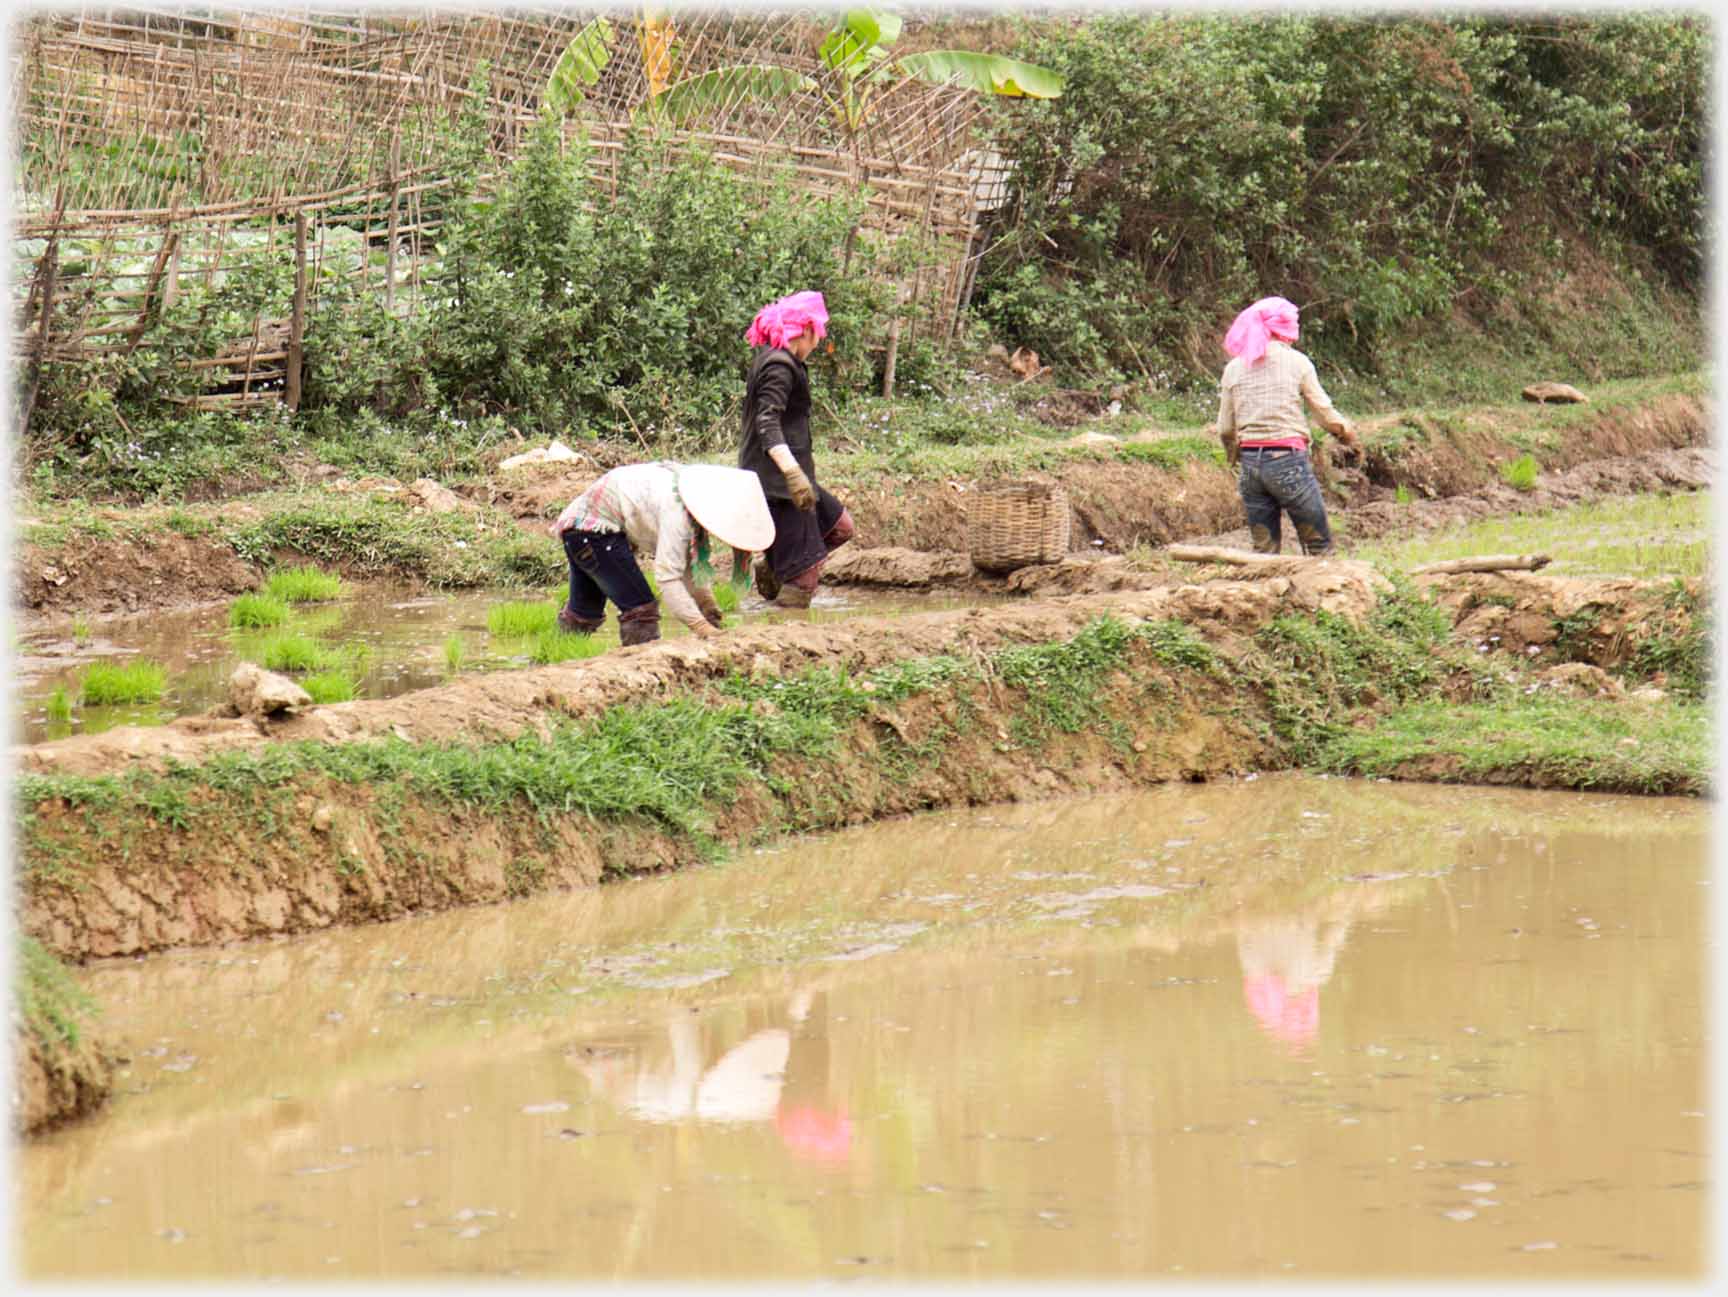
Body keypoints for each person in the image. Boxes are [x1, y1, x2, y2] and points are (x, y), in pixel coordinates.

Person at [547, 461, 774, 646]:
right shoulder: (677, 511)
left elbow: (684, 562)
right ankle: (640, 672)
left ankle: (551, 660)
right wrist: (701, 627)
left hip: (581, 530)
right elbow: (668, 577)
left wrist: (707, 606)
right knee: (640, 609)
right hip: (593, 531)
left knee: (583, 614)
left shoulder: (689, 495)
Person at [1215, 295, 1364, 556]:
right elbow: (1325, 415)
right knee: (1319, 546)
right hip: (1288, 462)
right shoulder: (1297, 363)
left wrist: (1235, 457)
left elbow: (1226, 428)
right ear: (1285, 328)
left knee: (1263, 552)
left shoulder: (1234, 368)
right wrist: (1347, 433)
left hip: (1251, 469)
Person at [737, 289, 855, 608]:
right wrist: (791, 472)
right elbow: (767, 422)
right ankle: (783, 631)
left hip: (792, 477)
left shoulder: (783, 361)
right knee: (804, 581)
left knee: (840, 527)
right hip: (779, 483)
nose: (817, 342)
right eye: (816, 334)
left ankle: (776, 565)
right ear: (804, 330)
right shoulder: (779, 365)